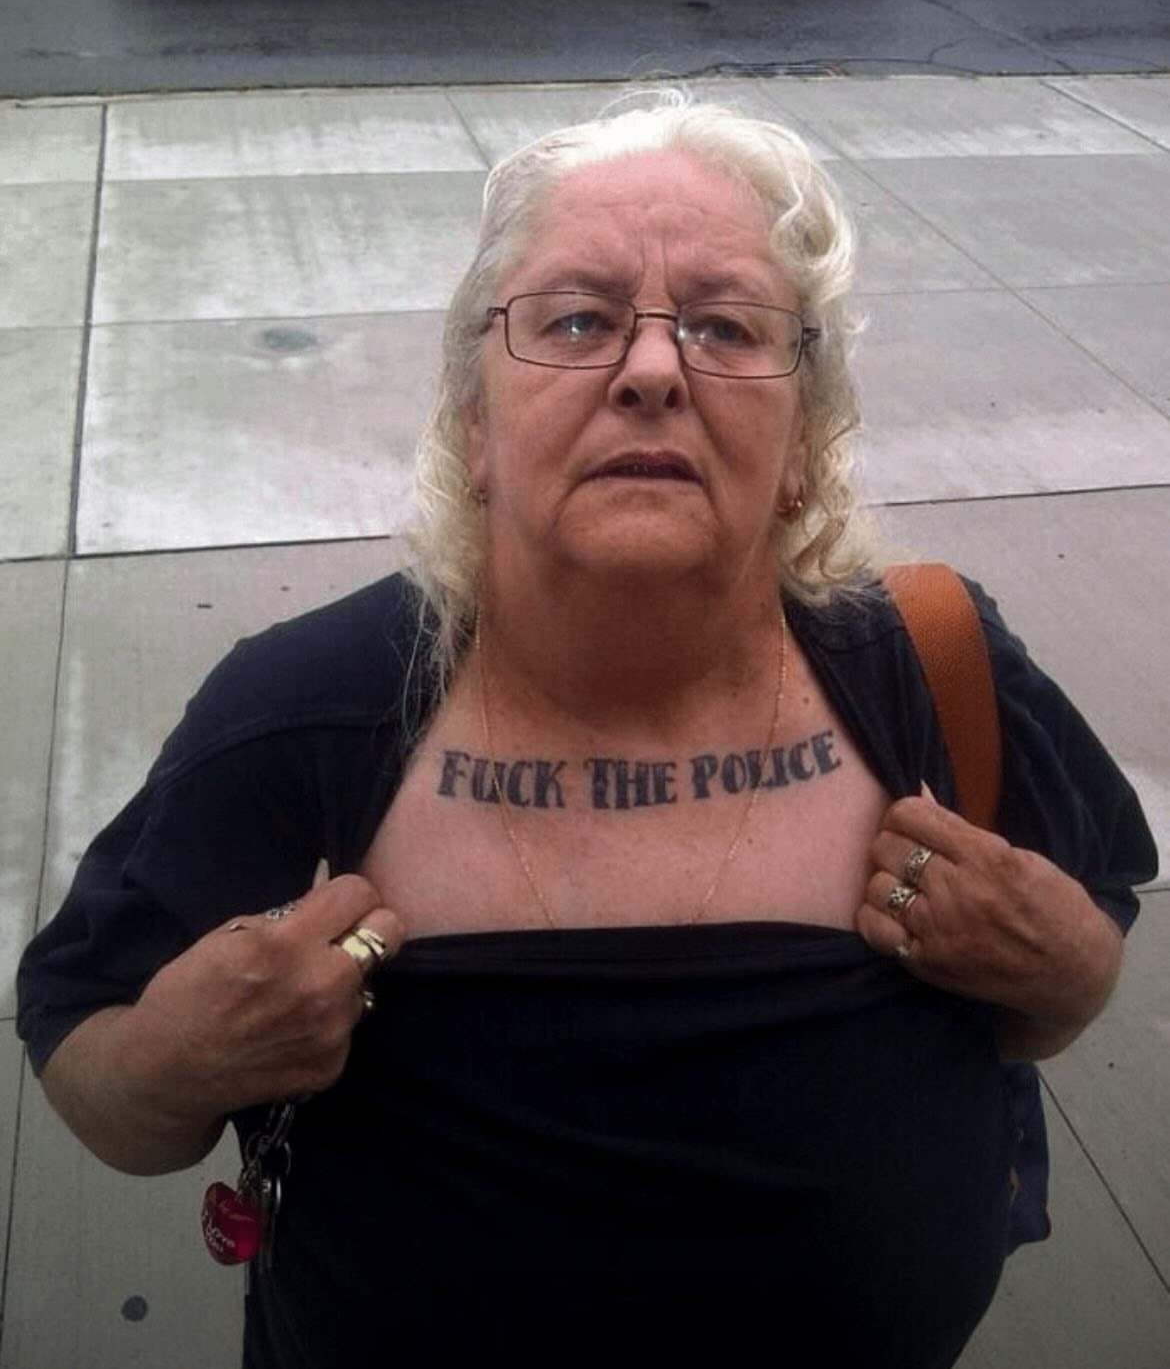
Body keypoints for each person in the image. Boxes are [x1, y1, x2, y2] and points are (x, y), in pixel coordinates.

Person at [17, 99, 1157, 1369]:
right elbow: (88, 1056)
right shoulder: (300, 714)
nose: (654, 369)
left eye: (726, 326)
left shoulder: (940, 672)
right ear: (475, 426)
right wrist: (175, 1063)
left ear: (803, 444)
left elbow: (1089, 916)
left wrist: (1072, 976)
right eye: (576, 320)